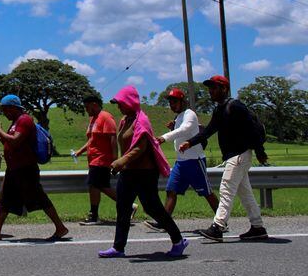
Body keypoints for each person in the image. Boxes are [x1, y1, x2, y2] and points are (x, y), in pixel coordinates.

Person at [98, 85, 187, 258]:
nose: (119, 106)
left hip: (145, 173)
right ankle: (118, 247)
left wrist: (121, 161)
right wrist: (121, 164)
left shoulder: (141, 120)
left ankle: (178, 240)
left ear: (130, 102)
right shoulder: (125, 120)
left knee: (153, 208)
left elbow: (140, 147)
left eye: (121, 103)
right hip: (129, 171)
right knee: (123, 207)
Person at [180, 75, 268, 242]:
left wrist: (260, 152)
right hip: (233, 156)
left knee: (226, 189)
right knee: (245, 192)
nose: (211, 91)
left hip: (240, 154)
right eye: (210, 88)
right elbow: (209, 131)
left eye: (214, 88)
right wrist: (190, 143)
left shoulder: (235, 106)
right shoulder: (219, 109)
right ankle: (258, 227)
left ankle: (218, 227)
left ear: (224, 89)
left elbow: (253, 131)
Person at [0, 94, 68, 242]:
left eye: (5, 109)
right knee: (3, 200)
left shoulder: (24, 120)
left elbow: (16, 141)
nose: (4, 113)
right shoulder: (15, 122)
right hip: (14, 169)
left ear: (13, 108)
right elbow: (10, 141)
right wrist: (0, 137)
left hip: (26, 169)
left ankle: (61, 228)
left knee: (40, 198)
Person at [146, 88, 219, 231]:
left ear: (182, 101)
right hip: (181, 162)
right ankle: (164, 222)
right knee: (171, 190)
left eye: (174, 102)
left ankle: (221, 221)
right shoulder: (178, 117)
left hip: (195, 161)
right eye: (170, 102)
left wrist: (164, 137)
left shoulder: (189, 114)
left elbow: (185, 129)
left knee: (207, 193)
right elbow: (180, 134)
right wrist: (172, 128)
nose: (172, 105)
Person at [74, 95, 137, 225]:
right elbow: (92, 139)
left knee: (98, 185)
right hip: (94, 159)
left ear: (95, 104)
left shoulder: (106, 117)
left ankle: (96, 215)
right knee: (96, 185)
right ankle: (125, 206)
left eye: (87, 107)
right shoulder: (93, 119)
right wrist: (80, 151)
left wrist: (115, 160)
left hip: (102, 159)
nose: (86, 110)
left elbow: (112, 139)